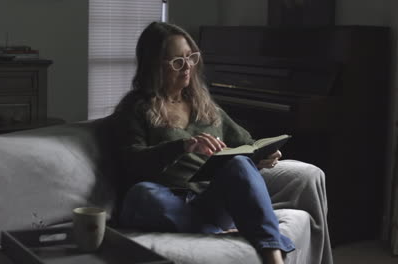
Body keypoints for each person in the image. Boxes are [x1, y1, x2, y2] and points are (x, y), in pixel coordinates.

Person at [112, 21, 333, 264]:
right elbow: (133, 162)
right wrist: (183, 146)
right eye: (177, 62)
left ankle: (273, 257)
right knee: (141, 194)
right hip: (165, 199)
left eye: (191, 57)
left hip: (210, 199)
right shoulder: (135, 108)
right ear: (153, 65)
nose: (187, 67)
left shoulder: (203, 103)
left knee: (238, 162)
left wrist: (264, 154)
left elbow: (246, 143)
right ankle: (217, 231)